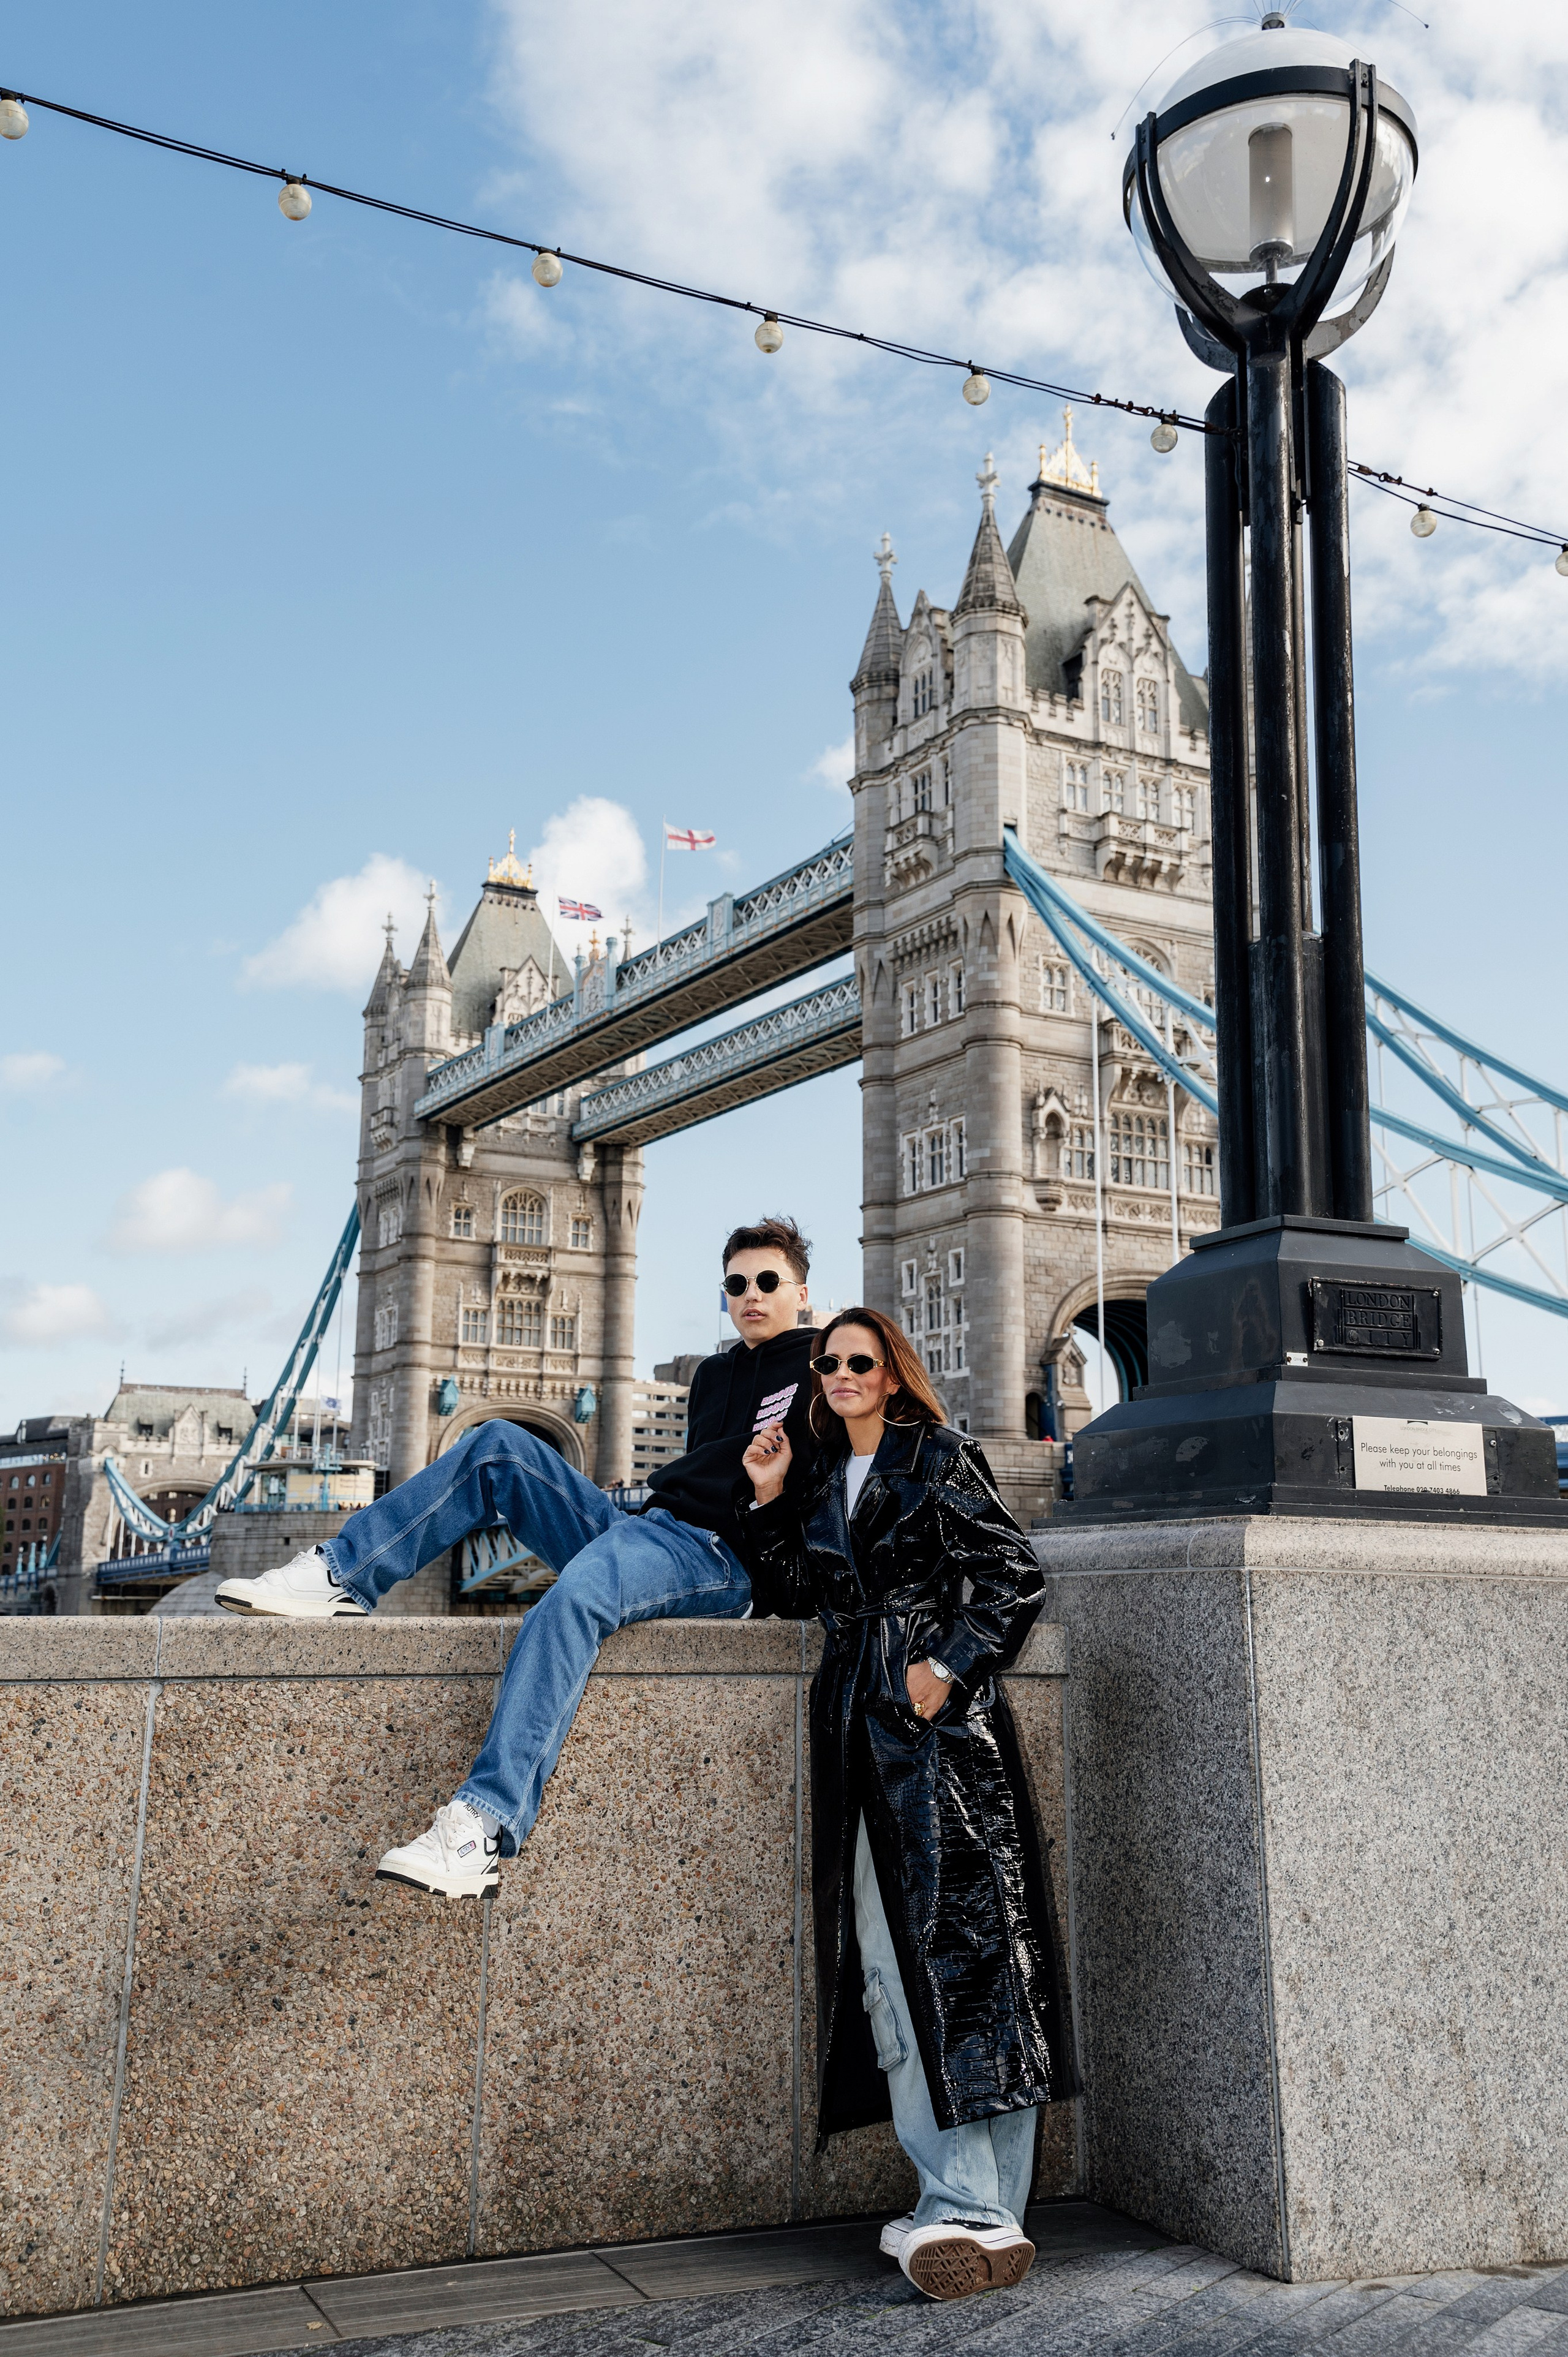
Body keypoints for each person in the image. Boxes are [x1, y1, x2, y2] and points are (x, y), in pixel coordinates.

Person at [213, 1216, 820, 1895]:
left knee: (577, 1596)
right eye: (736, 1284)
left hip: (723, 1556)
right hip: (650, 1525)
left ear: (802, 1292)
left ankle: (481, 1827)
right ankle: (343, 1573)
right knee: (497, 1443)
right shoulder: (712, 1375)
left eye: (768, 1281)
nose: (751, 1295)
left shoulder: (827, 1363)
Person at [737, 1306, 1074, 2306]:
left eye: (858, 1361)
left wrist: (944, 1666)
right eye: (825, 1361)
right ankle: (987, 2206)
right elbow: (799, 1592)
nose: (838, 1372)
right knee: (917, 1969)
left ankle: (967, 2204)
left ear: (892, 1373)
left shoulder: (940, 1454)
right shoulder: (814, 1473)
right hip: (856, 1727)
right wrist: (762, 1499)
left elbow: (1014, 1576)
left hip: (936, 1735)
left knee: (952, 1962)